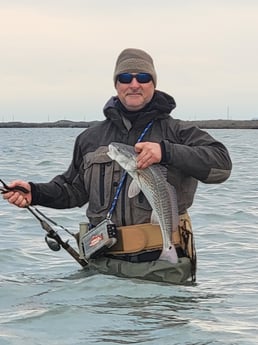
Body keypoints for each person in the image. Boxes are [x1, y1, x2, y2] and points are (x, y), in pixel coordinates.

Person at [2, 48, 232, 284]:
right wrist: (35, 192)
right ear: (116, 84)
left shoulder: (179, 132)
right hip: (102, 267)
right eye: (125, 78)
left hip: (163, 268)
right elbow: (72, 190)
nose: (134, 84)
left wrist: (166, 151)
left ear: (153, 83)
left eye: (143, 78)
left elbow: (222, 166)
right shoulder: (90, 138)